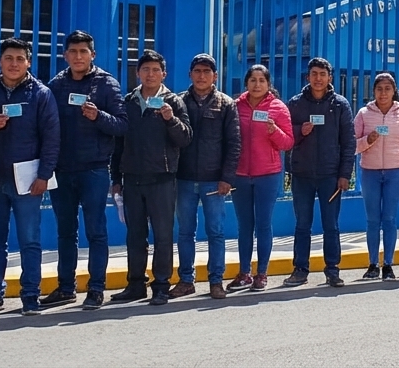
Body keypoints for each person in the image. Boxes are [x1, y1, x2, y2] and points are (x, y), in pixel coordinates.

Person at [0, 38, 59, 316]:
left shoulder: (41, 94)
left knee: (30, 240)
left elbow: (51, 138)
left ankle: (30, 294)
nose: (14, 64)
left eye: (20, 59)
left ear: (29, 62)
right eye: (8, 58)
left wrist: (44, 175)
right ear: (0, 61)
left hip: (28, 180)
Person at [45, 30, 127, 310]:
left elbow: (121, 124)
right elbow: (46, 126)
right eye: (73, 52)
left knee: (96, 231)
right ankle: (66, 287)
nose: (78, 57)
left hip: (94, 170)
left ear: (93, 54)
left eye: (84, 52)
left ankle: (96, 288)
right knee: (65, 232)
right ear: (65, 55)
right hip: (63, 170)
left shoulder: (107, 84)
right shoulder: (56, 85)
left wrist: (98, 116)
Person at [109, 50, 192, 306]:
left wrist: (170, 120)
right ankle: (135, 284)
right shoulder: (128, 102)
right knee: (135, 235)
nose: (151, 74)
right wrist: (116, 178)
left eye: (156, 70)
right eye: (146, 70)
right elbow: (118, 143)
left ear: (163, 74)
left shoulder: (174, 102)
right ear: (138, 73)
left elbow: (186, 137)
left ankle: (161, 285)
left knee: (163, 235)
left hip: (162, 178)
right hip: (132, 177)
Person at [172, 54, 239, 299]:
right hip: (185, 178)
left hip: (214, 181)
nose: (202, 76)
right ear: (190, 74)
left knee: (216, 231)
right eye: (197, 71)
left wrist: (227, 178)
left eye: (207, 72)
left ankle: (216, 281)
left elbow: (234, 144)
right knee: (185, 232)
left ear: (215, 76)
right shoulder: (179, 101)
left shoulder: (226, 104)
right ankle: (186, 280)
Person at [284, 57, 355, 288]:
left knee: (331, 225)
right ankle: (300, 269)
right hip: (302, 174)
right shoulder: (295, 104)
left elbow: (349, 142)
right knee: (302, 224)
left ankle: (332, 270)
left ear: (330, 78)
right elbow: (285, 137)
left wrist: (345, 174)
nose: (318, 79)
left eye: (322, 74)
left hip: (330, 175)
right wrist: (299, 131)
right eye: (314, 74)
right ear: (307, 77)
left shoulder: (340, 105)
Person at [228, 65, 294, 292]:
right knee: (244, 225)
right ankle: (244, 272)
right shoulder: (235, 106)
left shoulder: (278, 108)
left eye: (261, 80)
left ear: (268, 84)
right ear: (246, 83)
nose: (257, 85)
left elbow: (288, 143)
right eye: (253, 80)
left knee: (263, 224)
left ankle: (261, 273)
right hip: (240, 176)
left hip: (268, 174)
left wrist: (273, 130)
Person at [354, 73, 399, 280]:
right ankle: (373, 264)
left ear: (394, 91)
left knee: (389, 219)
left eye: (387, 89)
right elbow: (351, 145)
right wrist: (367, 141)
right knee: (373, 220)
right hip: (370, 172)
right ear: (373, 91)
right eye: (379, 89)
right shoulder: (364, 113)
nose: (383, 93)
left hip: (395, 172)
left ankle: (388, 264)